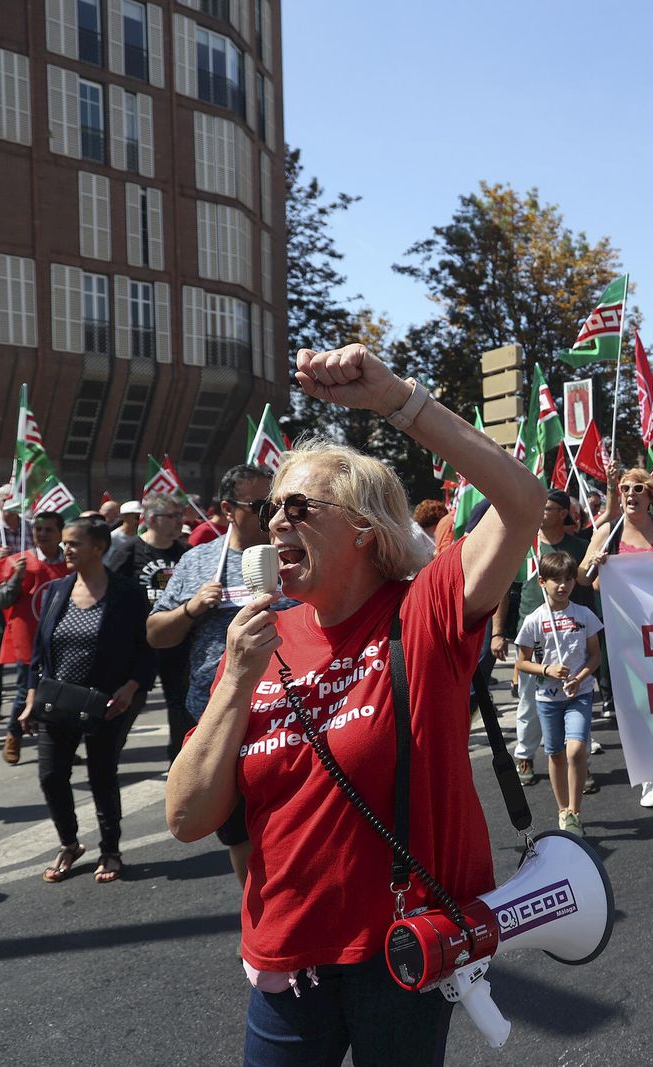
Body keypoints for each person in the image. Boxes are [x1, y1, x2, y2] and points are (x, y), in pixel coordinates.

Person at [165, 343, 544, 1067]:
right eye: (271, 509)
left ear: (365, 528)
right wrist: (237, 677)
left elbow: (523, 501)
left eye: (299, 507)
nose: (277, 523)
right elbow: (186, 818)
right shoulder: (261, 642)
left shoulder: (422, 612)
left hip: (400, 954)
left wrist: (399, 402)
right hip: (285, 963)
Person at [149, 464, 281, 887]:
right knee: (237, 831)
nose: (271, 515)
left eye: (275, 504)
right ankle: (255, 912)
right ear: (227, 509)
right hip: (216, 712)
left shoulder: (293, 554)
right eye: (259, 506)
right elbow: (156, 634)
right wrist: (191, 609)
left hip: (287, 712)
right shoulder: (198, 561)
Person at [21, 518, 155, 883]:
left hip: (107, 702)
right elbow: (38, 654)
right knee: (51, 776)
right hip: (58, 701)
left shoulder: (127, 593)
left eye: (74, 543)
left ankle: (110, 850)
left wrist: (130, 687)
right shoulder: (56, 590)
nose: (66, 549)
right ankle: (69, 843)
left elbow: (147, 649)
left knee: (101, 774)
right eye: (65, 543)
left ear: (99, 547)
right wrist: (30, 698)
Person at [582, 465, 653, 809]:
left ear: (651, 494)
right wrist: (597, 563)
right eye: (625, 488)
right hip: (628, 632)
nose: (630, 494)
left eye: (638, 488)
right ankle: (648, 778)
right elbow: (584, 578)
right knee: (641, 705)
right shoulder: (609, 530)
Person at [498, 489, 597, 789]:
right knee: (530, 702)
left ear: (563, 513)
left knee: (577, 700)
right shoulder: (523, 544)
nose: (540, 511)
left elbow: (591, 579)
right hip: (534, 635)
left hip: (571, 636)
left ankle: (579, 764)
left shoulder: (579, 547)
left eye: (548, 507)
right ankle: (525, 755)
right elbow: (503, 588)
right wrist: (498, 632)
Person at [515, 550, 602, 836]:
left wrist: (580, 678)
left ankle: (575, 812)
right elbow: (522, 662)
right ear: (542, 582)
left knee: (576, 749)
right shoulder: (534, 620)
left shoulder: (584, 614)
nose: (563, 585)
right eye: (556, 580)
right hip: (547, 699)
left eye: (568, 579)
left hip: (580, 694)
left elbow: (595, 656)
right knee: (555, 755)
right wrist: (546, 670)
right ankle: (563, 809)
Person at [106, 492, 192, 763]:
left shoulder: (186, 554)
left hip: (177, 641)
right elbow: (110, 592)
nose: (179, 521)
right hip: (138, 644)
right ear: (153, 520)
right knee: (129, 702)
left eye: (180, 516)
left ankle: (179, 762)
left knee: (181, 705)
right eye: (173, 516)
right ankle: (107, 758)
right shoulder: (130, 550)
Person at [0, 511, 70, 764]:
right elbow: (2, 600)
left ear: (60, 534)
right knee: (25, 692)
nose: (42, 534)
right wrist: (17, 577)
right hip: (29, 639)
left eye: (49, 530)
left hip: (63, 640)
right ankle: (13, 736)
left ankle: (61, 745)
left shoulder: (71, 562)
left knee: (62, 694)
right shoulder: (19, 562)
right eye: (38, 529)